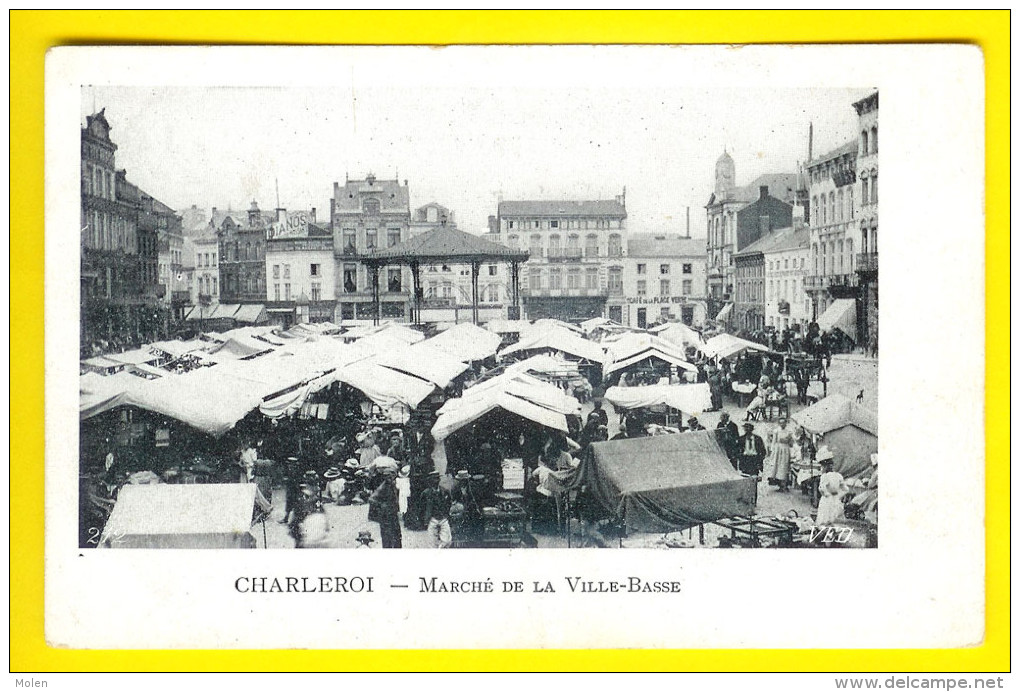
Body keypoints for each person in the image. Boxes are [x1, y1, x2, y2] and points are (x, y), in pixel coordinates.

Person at [367, 459, 402, 548]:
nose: (389, 478)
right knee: (388, 537)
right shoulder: (383, 486)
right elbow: (372, 499)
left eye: (391, 476)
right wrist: (382, 505)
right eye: (387, 476)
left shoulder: (393, 485)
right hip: (386, 515)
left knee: (396, 535)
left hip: (392, 514)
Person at [421, 471, 453, 548]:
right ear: (430, 481)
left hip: (443, 518)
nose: (435, 481)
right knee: (431, 543)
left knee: (447, 541)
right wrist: (425, 519)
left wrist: (446, 514)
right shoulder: (426, 493)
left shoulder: (445, 491)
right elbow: (421, 507)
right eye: (433, 479)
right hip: (432, 519)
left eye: (437, 479)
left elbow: (449, 504)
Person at [815, 447, 847, 525]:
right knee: (835, 520)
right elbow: (845, 489)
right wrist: (838, 495)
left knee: (824, 519)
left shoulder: (824, 476)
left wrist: (827, 494)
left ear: (824, 466)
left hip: (826, 501)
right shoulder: (838, 476)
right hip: (836, 500)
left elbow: (822, 489)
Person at [767, 418, 794, 492]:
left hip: (785, 449)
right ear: (779, 424)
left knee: (784, 466)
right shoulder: (776, 431)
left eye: (784, 423)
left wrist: (789, 440)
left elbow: (791, 443)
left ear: (786, 423)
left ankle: (784, 485)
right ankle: (779, 484)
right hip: (778, 449)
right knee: (777, 466)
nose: (782, 424)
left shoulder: (788, 432)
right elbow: (774, 441)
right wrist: (772, 451)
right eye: (781, 423)